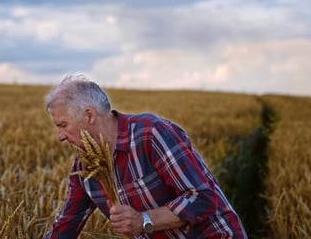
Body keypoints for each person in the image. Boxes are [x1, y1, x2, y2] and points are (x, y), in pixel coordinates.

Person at [43, 74, 247, 239]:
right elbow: (66, 225)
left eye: (63, 125)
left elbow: (202, 197)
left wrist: (144, 221)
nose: (60, 137)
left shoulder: (150, 133)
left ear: (89, 115)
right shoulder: (85, 166)